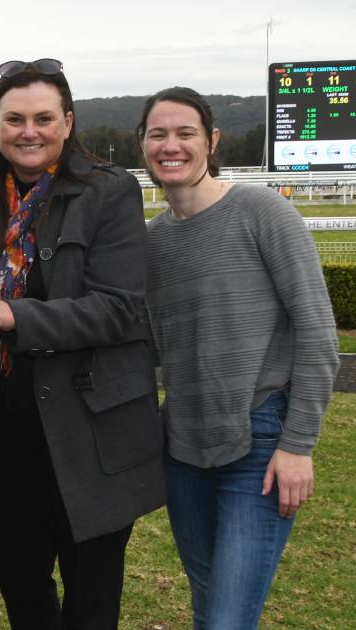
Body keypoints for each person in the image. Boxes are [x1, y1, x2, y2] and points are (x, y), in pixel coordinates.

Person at [0, 58, 164, 628]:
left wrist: (11, 316)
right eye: (14, 118)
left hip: (89, 435)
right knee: (24, 593)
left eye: (44, 118)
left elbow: (118, 310)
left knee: (92, 602)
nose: (29, 131)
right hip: (2, 436)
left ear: (68, 123)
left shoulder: (108, 192)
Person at [138, 86, 339, 629]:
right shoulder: (152, 244)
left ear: (212, 140)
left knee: (228, 618)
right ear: (143, 145)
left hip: (261, 443)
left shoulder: (262, 211)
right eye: (158, 134)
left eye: (186, 133)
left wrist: (298, 445)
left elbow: (319, 334)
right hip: (183, 447)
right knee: (210, 607)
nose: (171, 145)